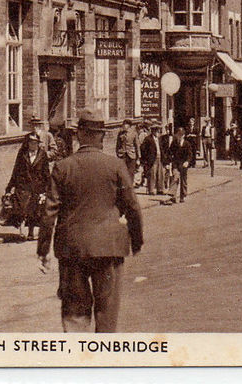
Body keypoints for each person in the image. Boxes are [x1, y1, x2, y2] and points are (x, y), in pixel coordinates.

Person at [37, 109, 143, 333]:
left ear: (79, 135)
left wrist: (43, 249)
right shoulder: (115, 166)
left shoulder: (63, 167)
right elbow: (132, 206)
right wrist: (137, 240)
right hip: (109, 248)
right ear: (101, 136)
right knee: (106, 313)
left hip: (72, 249)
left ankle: (78, 360)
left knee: (75, 314)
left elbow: (49, 213)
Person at [6, 132, 51, 240]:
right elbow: (16, 170)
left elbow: (46, 172)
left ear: (38, 144)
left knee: (34, 211)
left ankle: (30, 232)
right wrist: (9, 186)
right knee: (21, 208)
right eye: (31, 142)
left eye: (35, 143)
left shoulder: (42, 155)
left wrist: (49, 187)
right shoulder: (22, 154)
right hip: (23, 186)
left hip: (37, 186)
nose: (33, 145)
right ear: (28, 143)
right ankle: (21, 231)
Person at [166, 127, 192, 203]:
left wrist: (187, 161)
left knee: (183, 180)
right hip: (176, 163)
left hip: (184, 164)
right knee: (175, 177)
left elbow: (190, 154)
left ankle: (182, 196)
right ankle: (173, 195)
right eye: (178, 135)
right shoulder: (174, 142)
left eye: (181, 135)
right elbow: (169, 152)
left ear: (184, 135)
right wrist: (169, 160)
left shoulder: (187, 144)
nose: (179, 137)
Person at [115, 119, 139, 187]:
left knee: (131, 172)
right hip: (122, 155)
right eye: (123, 124)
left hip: (131, 155)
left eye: (126, 124)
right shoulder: (120, 133)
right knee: (122, 171)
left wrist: (138, 157)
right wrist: (117, 153)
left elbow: (137, 145)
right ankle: (123, 186)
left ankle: (129, 186)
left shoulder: (134, 133)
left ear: (129, 126)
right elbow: (118, 144)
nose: (124, 126)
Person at [139, 122, 162, 195]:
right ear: (153, 131)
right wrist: (145, 159)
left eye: (158, 130)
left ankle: (160, 189)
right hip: (152, 159)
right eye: (156, 130)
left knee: (160, 174)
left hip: (159, 157)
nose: (157, 132)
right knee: (152, 174)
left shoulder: (159, 139)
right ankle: (151, 190)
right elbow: (143, 149)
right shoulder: (148, 139)